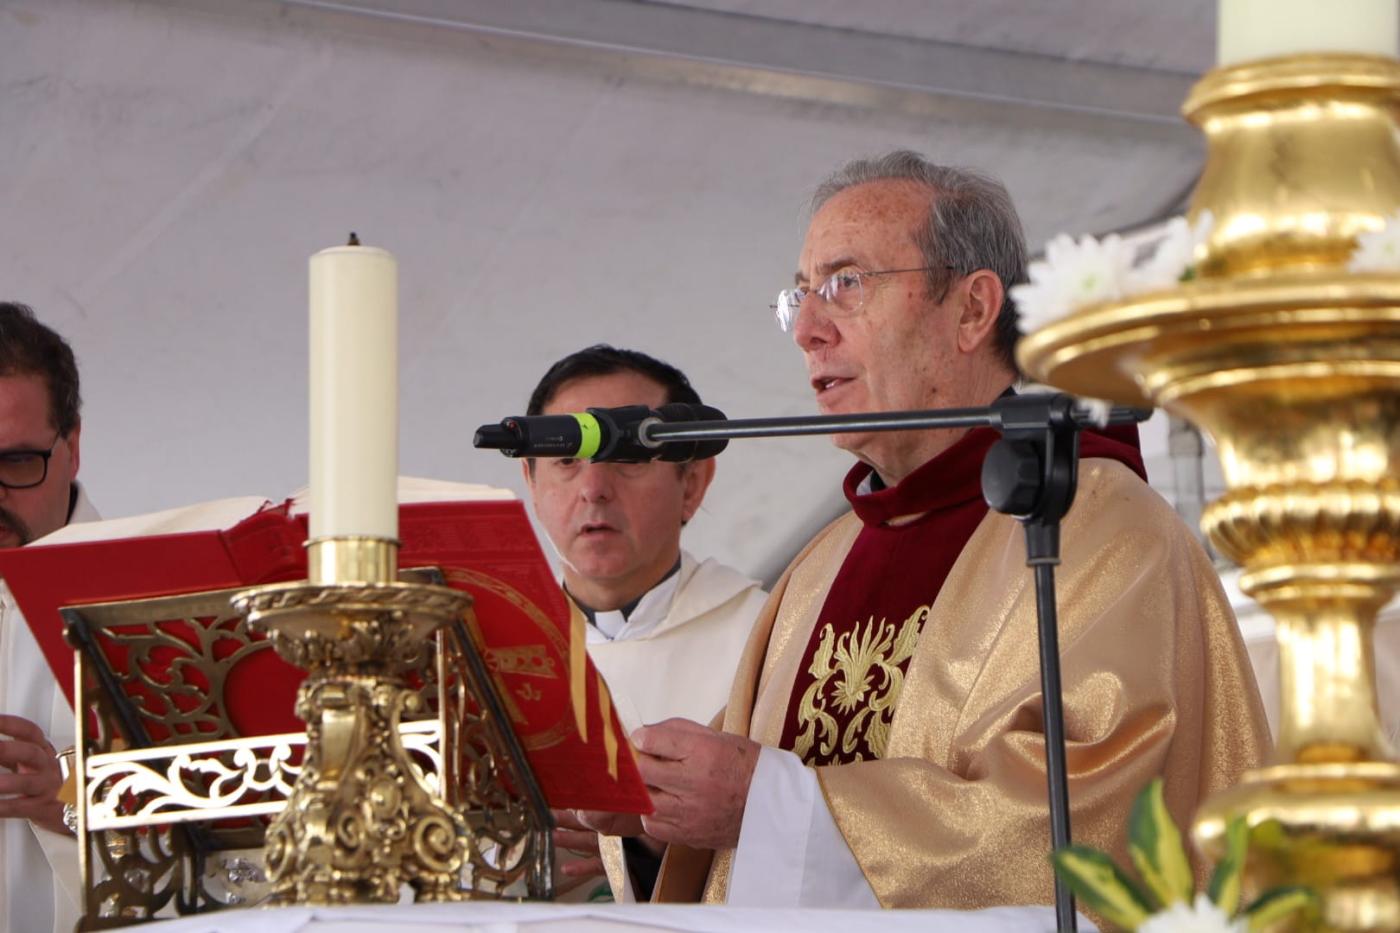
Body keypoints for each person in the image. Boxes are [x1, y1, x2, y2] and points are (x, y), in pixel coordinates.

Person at [581, 152, 1271, 911]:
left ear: (973, 310)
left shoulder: (1097, 530)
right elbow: (740, 815)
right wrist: (657, 818)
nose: (807, 329)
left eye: (846, 284)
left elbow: (1085, 830)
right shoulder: (820, 567)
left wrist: (769, 805)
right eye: (799, 296)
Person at [520, 345, 767, 897]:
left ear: (693, 483)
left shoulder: (771, 638)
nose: (593, 487)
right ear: (531, 482)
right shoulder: (482, 647)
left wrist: (641, 846)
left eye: (628, 457)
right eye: (567, 459)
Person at [0, 302, 98, 933]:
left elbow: (251, 830)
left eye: (14, 463)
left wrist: (67, 795)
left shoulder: (163, 599)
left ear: (73, 447)